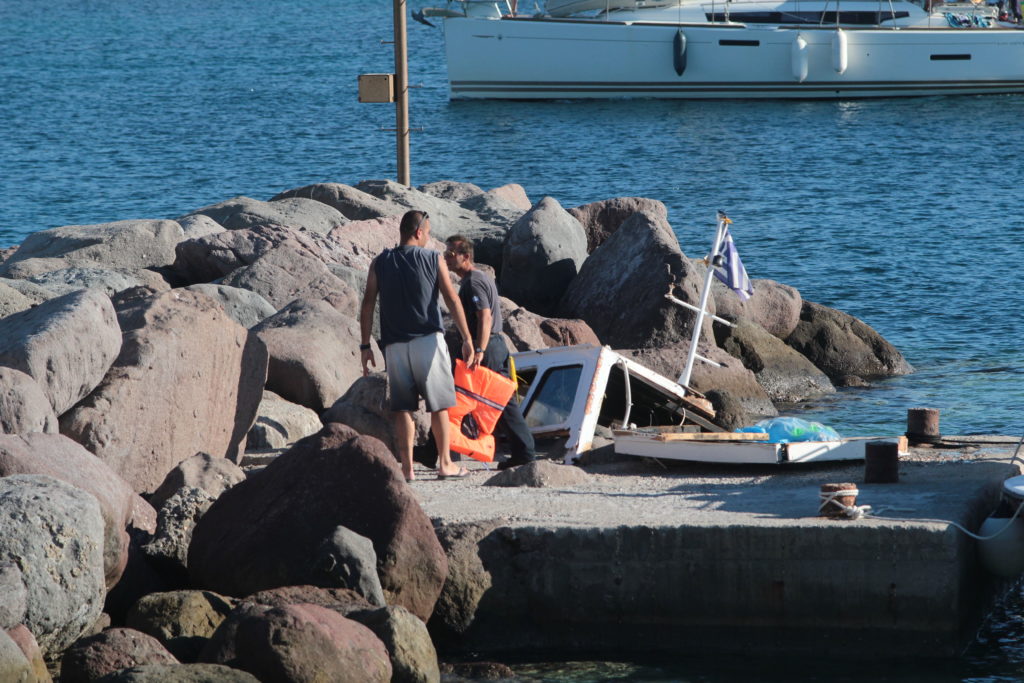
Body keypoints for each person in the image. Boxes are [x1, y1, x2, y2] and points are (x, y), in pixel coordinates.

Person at [359, 210, 475, 482]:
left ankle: (407, 468)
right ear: (418, 232)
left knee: (403, 408)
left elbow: (367, 305)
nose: (430, 238)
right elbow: (452, 300)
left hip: (395, 346)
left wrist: (365, 345)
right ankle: (445, 464)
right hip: (428, 342)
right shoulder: (433, 258)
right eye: (429, 232)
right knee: (440, 406)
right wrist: (468, 339)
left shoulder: (379, 262)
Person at [444, 235, 536, 470]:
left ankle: (523, 452)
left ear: (466, 256)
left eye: (451, 254)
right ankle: (522, 452)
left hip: (489, 347)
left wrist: (479, 349)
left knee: (491, 400)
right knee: (501, 401)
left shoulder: (473, 282)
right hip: (495, 345)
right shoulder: (479, 278)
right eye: (446, 253)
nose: (447, 257)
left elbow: (484, 315)